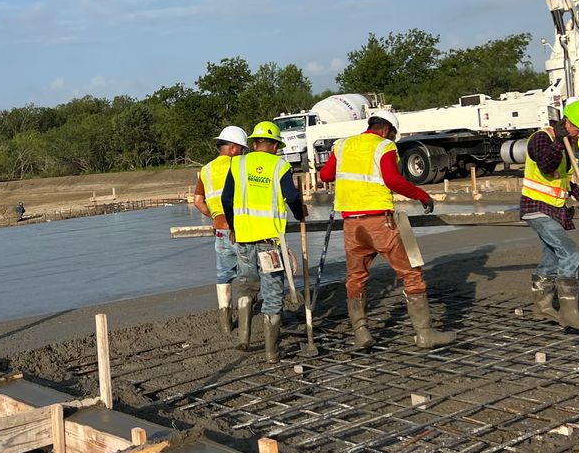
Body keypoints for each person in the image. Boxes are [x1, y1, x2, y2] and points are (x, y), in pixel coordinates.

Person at [317, 109, 456, 350]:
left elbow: (325, 174)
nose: (393, 138)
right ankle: (424, 334)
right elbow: (391, 179)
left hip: (351, 225)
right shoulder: (384, 147)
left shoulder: (343, 145)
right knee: (411, 273)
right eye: (393, 134)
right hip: (380, 223)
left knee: (356, 279)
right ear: (387, 129)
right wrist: (421, 195)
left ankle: (361, 333)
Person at [221, 121, 307, 362]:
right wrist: (300, 213)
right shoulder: (280, 165)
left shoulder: (237, 163)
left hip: (244, 240)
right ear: (275, 145)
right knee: (272, 293)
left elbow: (227, 199)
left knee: (247, 285)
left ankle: (244, 339)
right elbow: (291, 196)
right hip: (270, 242)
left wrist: (234, 227)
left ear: (254, 143)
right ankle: (271, 352)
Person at [521, 99, 579, 330]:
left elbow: (561, 177)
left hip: (555, 208)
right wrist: (559, 141)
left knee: (553, 257)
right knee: (570, 253)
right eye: (578, 129)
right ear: (568, 122)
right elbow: (546, 165)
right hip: (536, 207)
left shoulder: (566, 142)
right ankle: (569, 313)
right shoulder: (541, 138)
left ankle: (542, 307)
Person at [191, 125, 250, 333]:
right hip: (241, 228)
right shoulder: (241, 165)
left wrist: (215, 216)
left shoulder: (206, 169)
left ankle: (225, 323)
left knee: (223, 274)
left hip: (220, 230)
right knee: (248, 276)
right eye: (242, 149)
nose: (243, 153)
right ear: (233, 148)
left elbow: (198, 201)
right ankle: (245, 320)